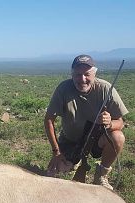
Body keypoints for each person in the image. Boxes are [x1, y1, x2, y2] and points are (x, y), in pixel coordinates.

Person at [44, 54, 128, 190]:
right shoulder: (63, 89)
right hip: (71, 140)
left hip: (96, 140)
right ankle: (74, 162)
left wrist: (110, 123)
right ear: (72, 75)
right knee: (52, 174)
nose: (82, 79)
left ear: (94, 73)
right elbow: (49, 119)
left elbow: (120, 122)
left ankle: (101, 174)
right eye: (77, 74)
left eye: (87, 74)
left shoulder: (106, 88)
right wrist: (56, 152)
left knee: (118, 137)